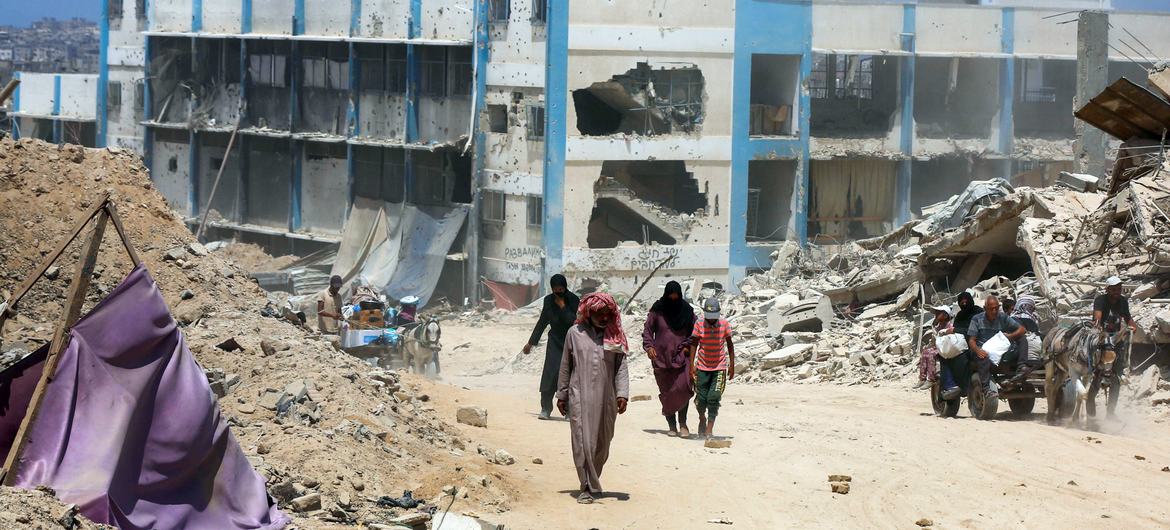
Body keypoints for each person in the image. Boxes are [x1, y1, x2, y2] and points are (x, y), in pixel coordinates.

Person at [556, 292, 630, 504]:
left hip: (607, 398)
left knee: (602, 443)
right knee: (582, 442)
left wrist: (622, 393)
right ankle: (586, 486)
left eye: (608, 313)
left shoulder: (614, 335)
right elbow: (565, 365)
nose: (604, 318)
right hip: (579, 395)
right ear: (589, 313)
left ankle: (593, 477)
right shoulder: (574, 333)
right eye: (600, 313)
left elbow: (621, 367)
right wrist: (562, 395)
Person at [642, 281, 695, 437]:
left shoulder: (687, 311)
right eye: (671, 295)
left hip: (682, 356)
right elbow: (648, 329)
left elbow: (695, 331)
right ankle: (671, 425)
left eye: (676, 295)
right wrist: (649, 346)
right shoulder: (658, 310)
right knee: (667, 391)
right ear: (666, 294)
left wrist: (688, 346)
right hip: (661, 358)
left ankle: (683, 424)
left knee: (684, 388)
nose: (673, 298)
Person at [523, 274, 581, 419]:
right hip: (554, 341)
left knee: (570, 375)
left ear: (565, 287)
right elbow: (543, 321)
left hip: (571, 342)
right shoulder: (548, 300)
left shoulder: (573, 300)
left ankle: (568, 409)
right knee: (550, 373)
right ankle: (545, 408)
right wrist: (531, 343)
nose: (558, 292)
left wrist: (562, 307)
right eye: (555, 289)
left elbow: (573, 322)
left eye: (561, 289)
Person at [1089, 276, 1137, 417]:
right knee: (1098, 373)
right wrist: (1098, 327)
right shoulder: (1100, 300)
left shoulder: (1123, 301)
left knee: (1116, 377)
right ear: (1108, 289)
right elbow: (1097, 318)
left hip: (1115, 339)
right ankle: (1090, 404)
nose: (1117, 291)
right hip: (1102, 337)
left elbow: (1128, 318)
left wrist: (1132, 326)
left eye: (1119, 289)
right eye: (1114, 289)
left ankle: (1111, 413)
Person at [689, 297, 734, 438]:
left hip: (719, 366)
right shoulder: (699, 324)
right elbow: (694, 344)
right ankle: (702, 417)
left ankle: (709, 429)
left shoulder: (724, 324)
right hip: (702, 366)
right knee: (701, 400)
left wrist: (731, 365)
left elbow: (730, 345)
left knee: (714, 397)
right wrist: (692, 366)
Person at [966, 295, 1026, 399]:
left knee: (1022, 338)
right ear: (985, 309)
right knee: (983, 357)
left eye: (996, 308)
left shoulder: (1003, 317)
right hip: (982, 348)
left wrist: (1011, 336)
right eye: (991, 309)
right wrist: (978, 351)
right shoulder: (977, 319)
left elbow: (1022, 329)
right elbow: (971, 340)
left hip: (999, 348)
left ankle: (1022, 366)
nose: (994, 311)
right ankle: (986, 389)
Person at [939, 292, 982, 399]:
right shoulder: (960, 315)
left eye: (966, 299)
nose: (964, 302)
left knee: (949, 358)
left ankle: (954, 386)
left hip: (976, 344)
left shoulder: (978, 313)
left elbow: (977, 331)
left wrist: (956, 330)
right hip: (963, 343)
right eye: (961, 300)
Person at [916, 305, 953, 390]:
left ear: (945, 315)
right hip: (939, 347)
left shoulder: (949, 326)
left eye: (939, 313)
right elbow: (933, 341)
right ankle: (922, 378)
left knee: (930, 354)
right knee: (925, 352)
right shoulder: (938, 326)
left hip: (946, 348)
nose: (936, 315)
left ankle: (931, 379)